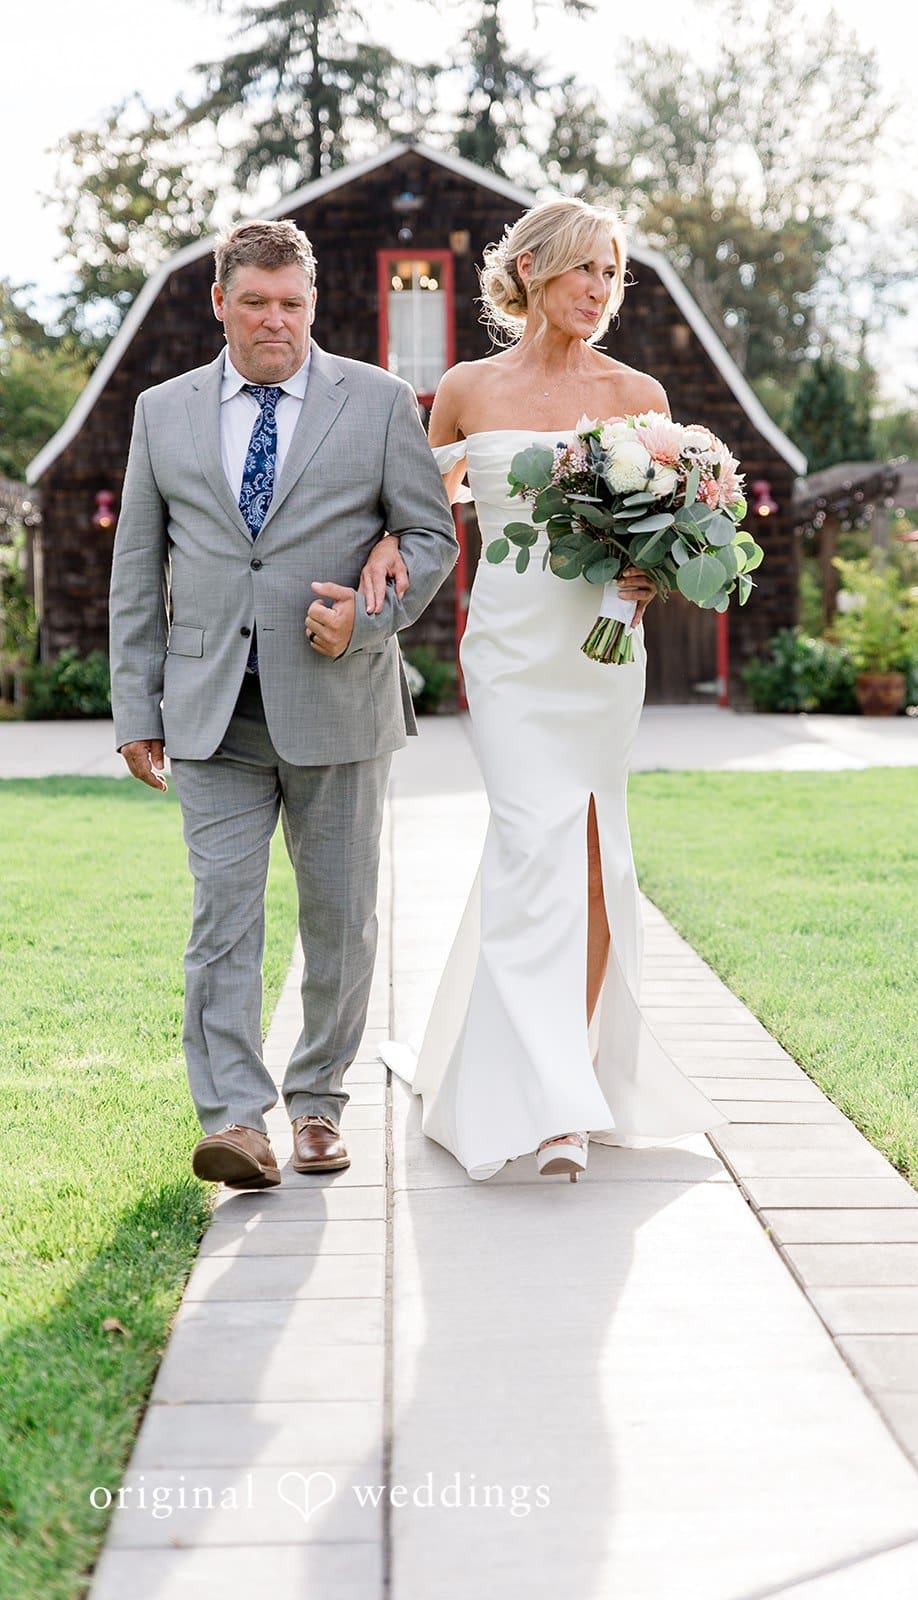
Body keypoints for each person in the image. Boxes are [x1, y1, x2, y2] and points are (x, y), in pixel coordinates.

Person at [381, 197, 726, 1181]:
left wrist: (650, 571)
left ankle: (565, 1079)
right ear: (529, 269)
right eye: (582, 269)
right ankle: (542, 1098)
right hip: (506, 650)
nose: (597, 290)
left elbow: (675, 532)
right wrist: (372, 594)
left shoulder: (639, 393)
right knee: (531, 844)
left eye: (610, 275)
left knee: (585, 859)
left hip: (598, 654)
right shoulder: (463, 389)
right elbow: (418, 517)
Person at [109, 218, 458, 1188]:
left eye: (292, 304)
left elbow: (428, 539)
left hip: (341, 700)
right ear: (218, 302)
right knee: (221, 913)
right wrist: (135, 706)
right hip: (208, 705)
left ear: (315, 306)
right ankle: (235, 1118)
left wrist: (369, 622)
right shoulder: (162, 413)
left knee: (340, 919)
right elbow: (138, 568)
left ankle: (316, 1104)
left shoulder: (381, 402)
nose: (275, 321)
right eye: (254, 302)